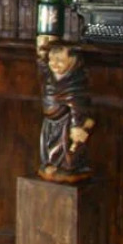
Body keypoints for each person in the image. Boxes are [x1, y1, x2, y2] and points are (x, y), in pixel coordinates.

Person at [37, 41, 95, 183]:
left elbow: (77, 107)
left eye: (60, 61)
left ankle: (64, 166)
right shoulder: (49, 75)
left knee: (63, 149)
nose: (54, 64)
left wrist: (76, 126)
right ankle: (50, 163)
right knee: (48, 145)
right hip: (50, 121)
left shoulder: (74, 83)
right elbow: (41, 63)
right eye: (51, 60)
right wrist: (41, 47)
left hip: (65, 123)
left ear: (72, 60)